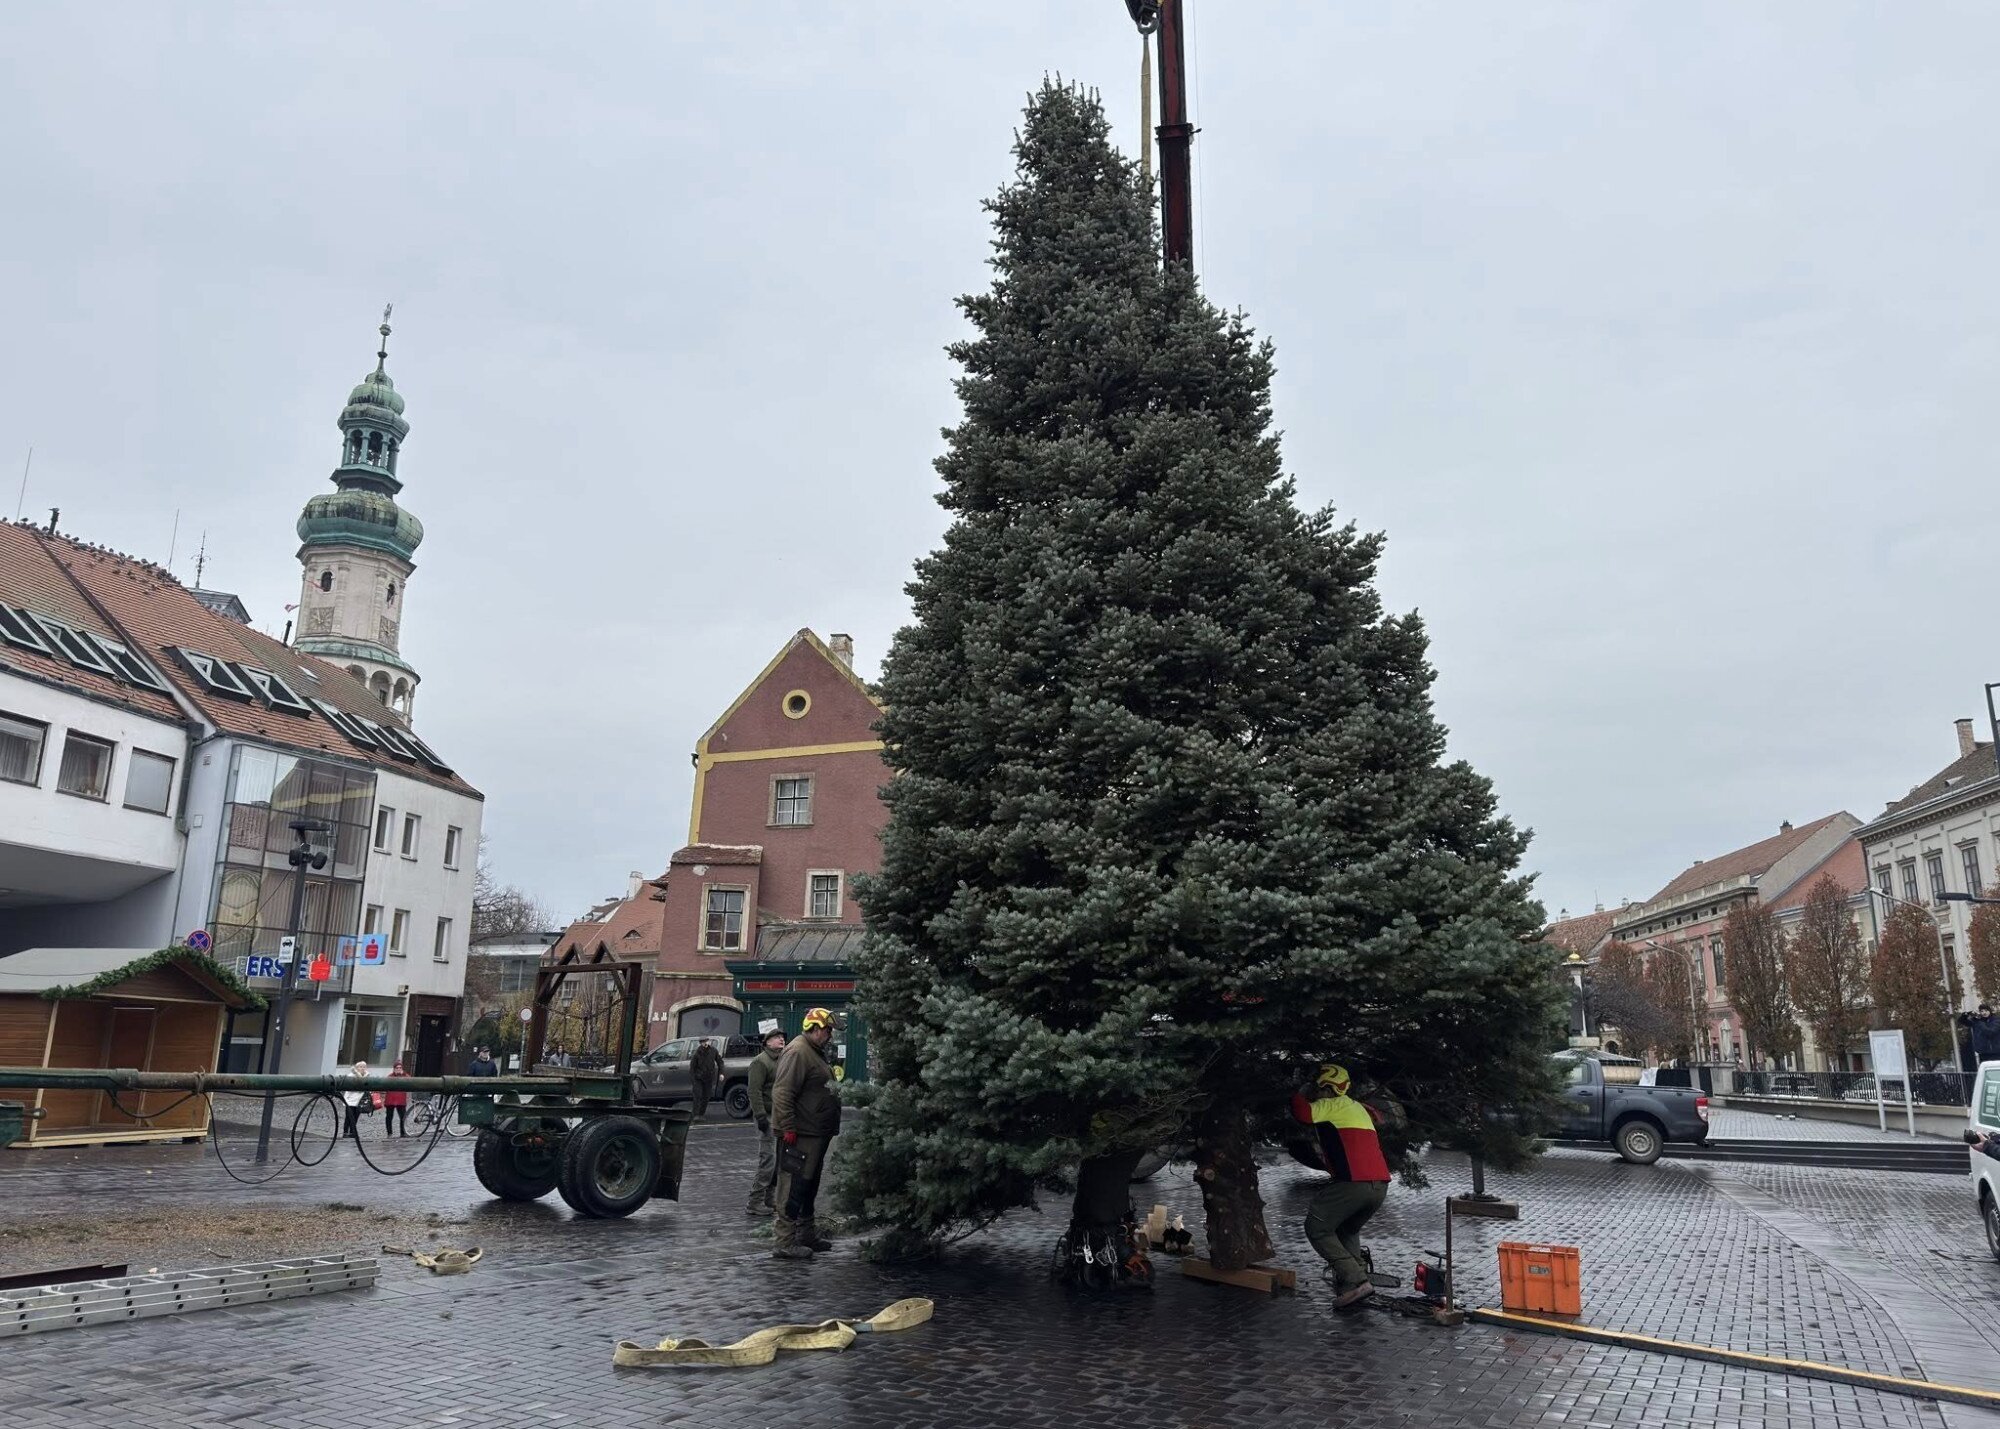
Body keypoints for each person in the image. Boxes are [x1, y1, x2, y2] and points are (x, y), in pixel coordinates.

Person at [1290, 1063, 1392, 1308]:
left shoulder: (1330, 1105)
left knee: (1317, 1227)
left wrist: (1296, 1091)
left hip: (1353, 1183)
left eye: (1318, 1086)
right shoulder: (1357, 1107)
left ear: (1326, 1087)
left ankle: (1356, 1280)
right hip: (1379, 1186)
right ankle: (1354, 1287)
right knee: (1347, 1229)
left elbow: (1302, 1112)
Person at [770, 1007, 842, 1260]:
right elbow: (782, 1092)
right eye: (827, 1029)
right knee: (793, 1186)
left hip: (815, 1132)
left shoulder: (814, 1052)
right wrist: (788, 1127)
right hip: (801, 1134)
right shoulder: (798, 1051)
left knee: (808, 1185)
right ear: (813, 1028)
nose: (829, 1035)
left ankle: (806, 1234)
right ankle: (785, 1241)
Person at [744, 1024, 788, 1217]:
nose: (781, 1039)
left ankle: (770, 1199)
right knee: (768, 1160)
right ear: (767, 1042)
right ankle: (754, 1201)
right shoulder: (760, 1062)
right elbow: (754, 1091)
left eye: (782, 1037)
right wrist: (760, 1116)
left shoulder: (782, 1060)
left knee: (778, 1160)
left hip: (780, 1117)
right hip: (767, 1117)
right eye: (777, 1037)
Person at [690, 1038, 722, 1120]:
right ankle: (695, 1115)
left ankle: (701, 1114)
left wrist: (721, 1073)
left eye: (706, 1041)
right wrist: (694, 1080)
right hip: (698, 1078)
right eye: (703, 1042)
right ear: (700, 1043)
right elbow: (692, 1068)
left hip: (709, 1077)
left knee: (706, 1096)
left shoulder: (713, 1051)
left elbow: (720, 1061)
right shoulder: (697, 1053)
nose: (705, 1043)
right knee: (698, 1095)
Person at [341, 1060, 373, 1140]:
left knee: (356, 1117)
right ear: (357, 1067)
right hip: (350, 1101)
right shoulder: (351, 1075)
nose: (362, 1068)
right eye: (360, 1066)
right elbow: (350, 1088)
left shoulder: (366, 1076)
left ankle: (352, 1132)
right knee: (349, 1117)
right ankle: (345, 1132)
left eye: (364, 1067)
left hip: (359, 1101)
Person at [382, 1059, 410, 1137]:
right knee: (389, 1117)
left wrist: (403, 1074)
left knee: (403, 1117)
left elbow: (410, 1081)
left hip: (401, 1100)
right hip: (390, 1100)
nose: (398, 1069)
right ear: (394, 1069)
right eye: (397, 1068)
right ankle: (389, 1133)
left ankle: (403, 1132)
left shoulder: (405, 1075)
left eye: (400, 1068)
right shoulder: (390, 1076)